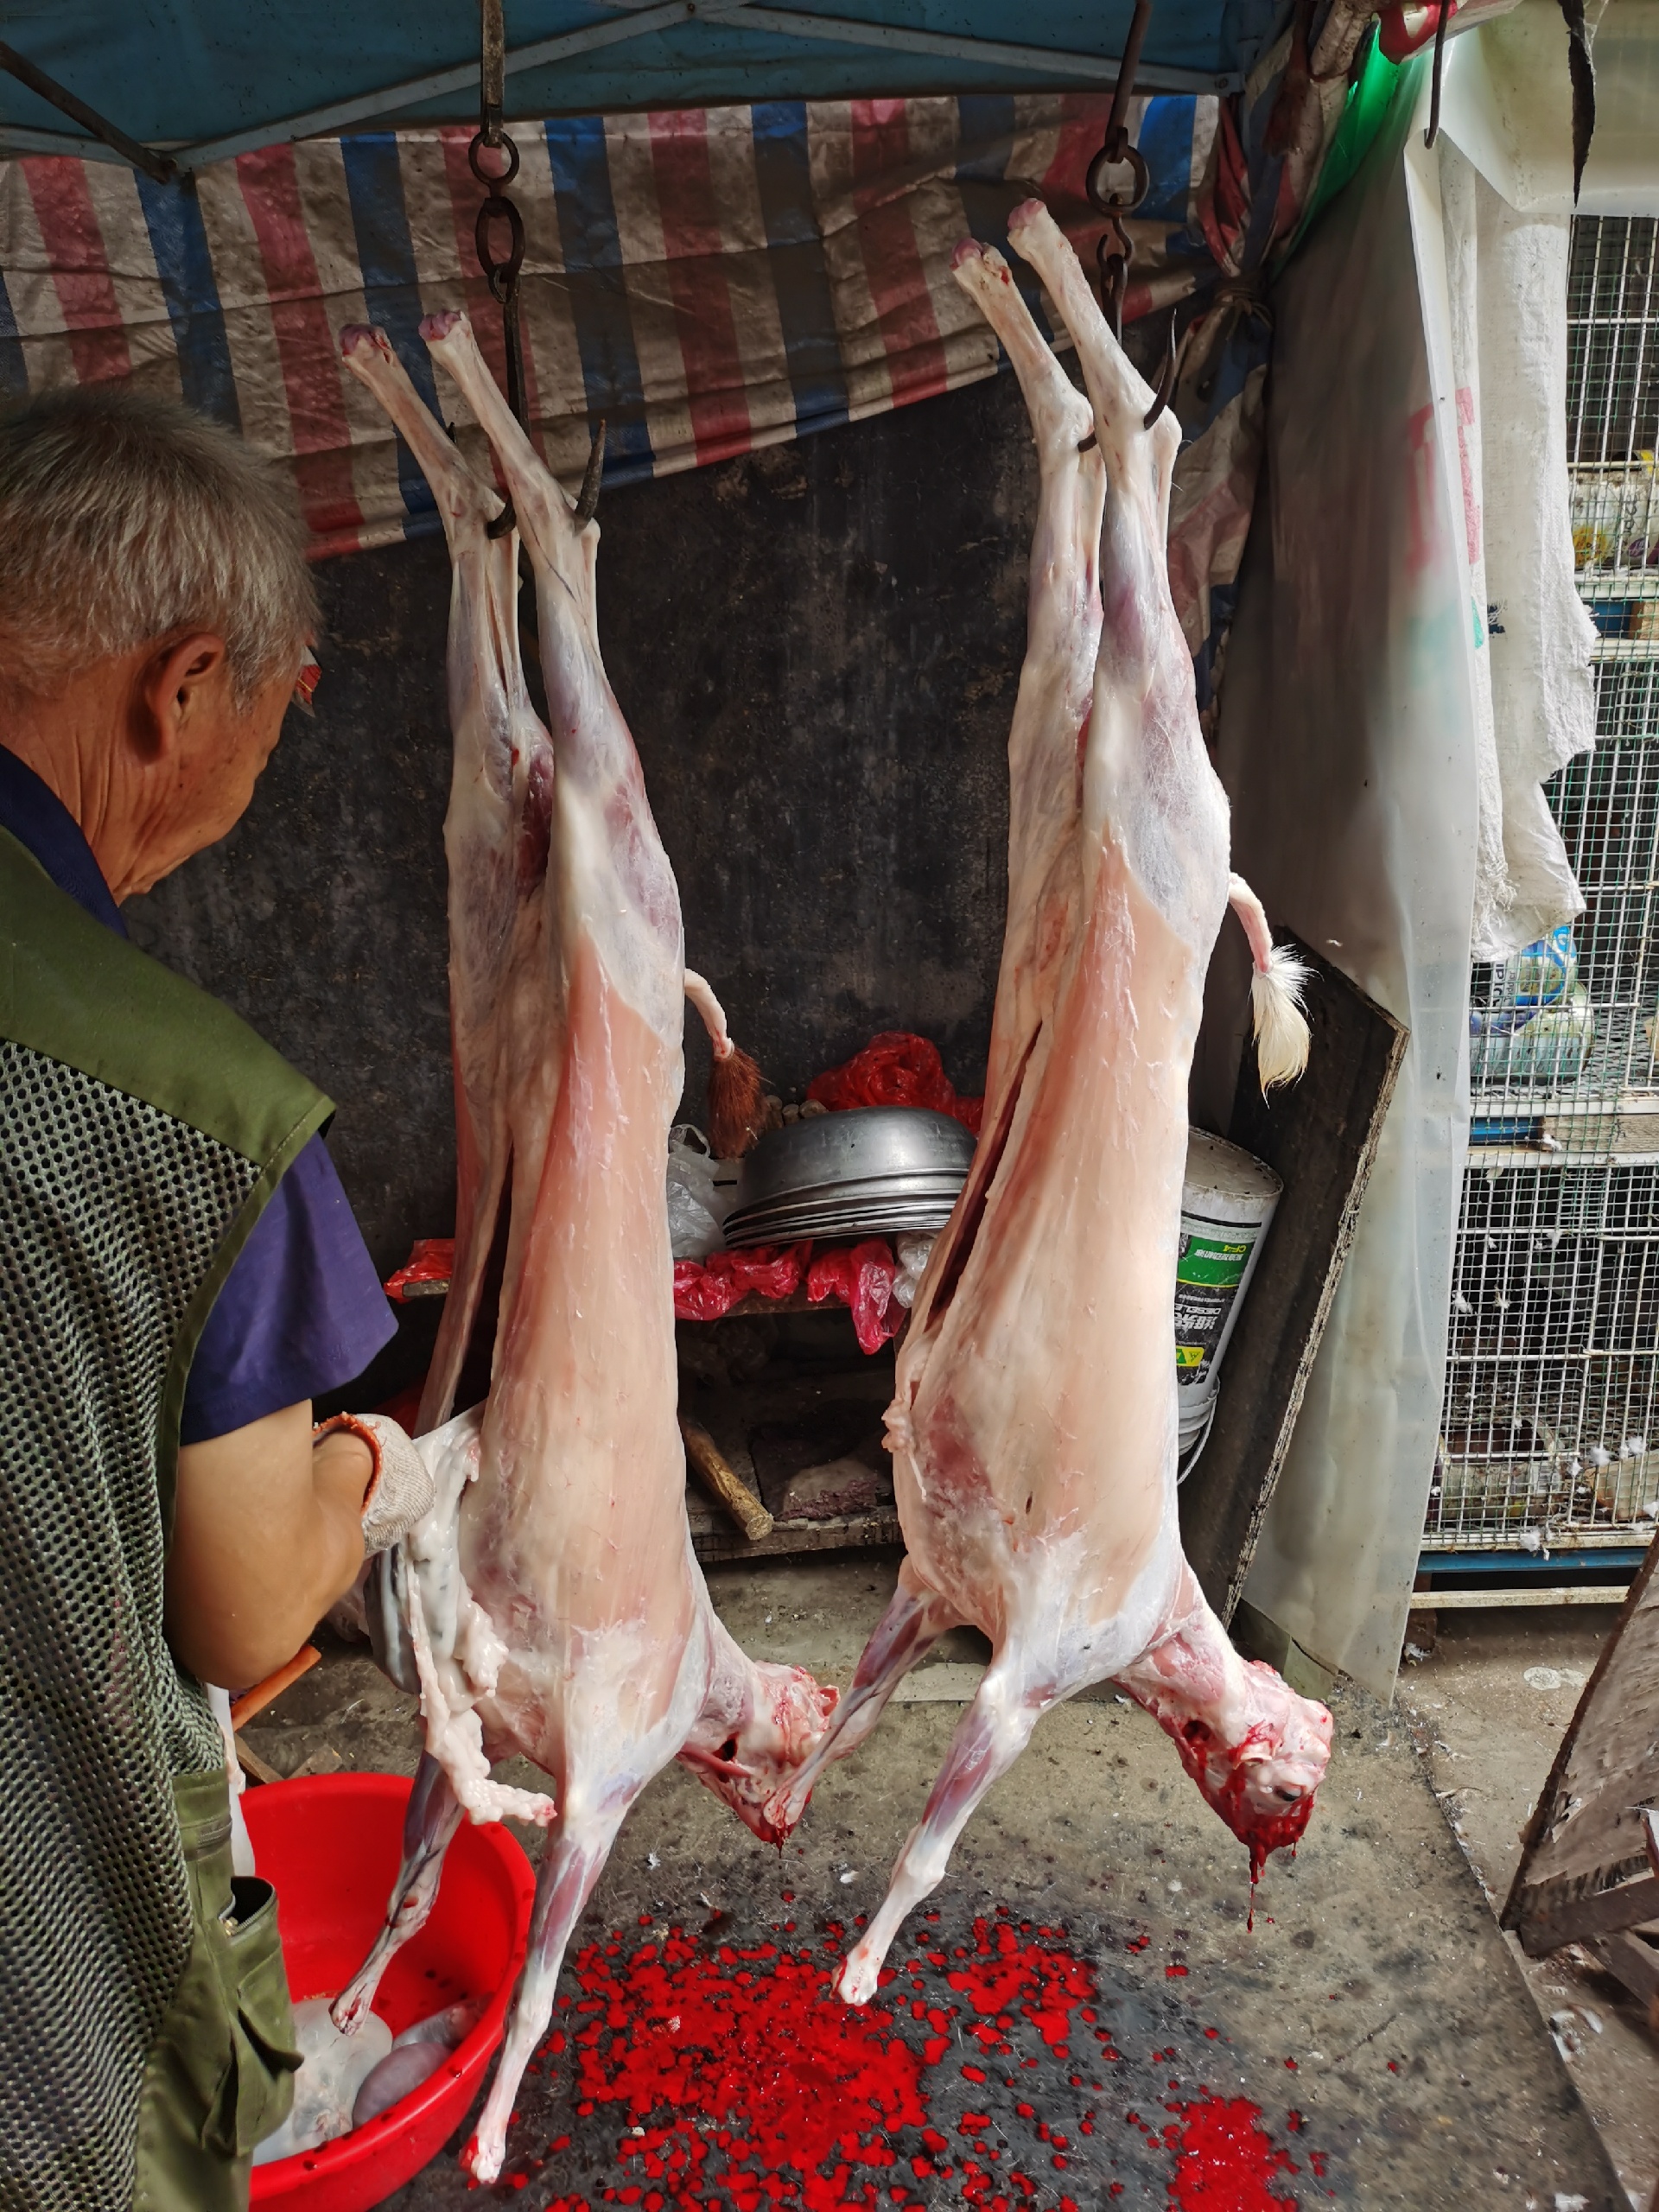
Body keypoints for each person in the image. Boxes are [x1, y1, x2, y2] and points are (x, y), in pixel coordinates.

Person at [0, 387, 435, 2211]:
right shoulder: (182, 1103)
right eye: (266, 724)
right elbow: (249, 1609)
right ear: (181, 689)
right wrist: (375, 1474)